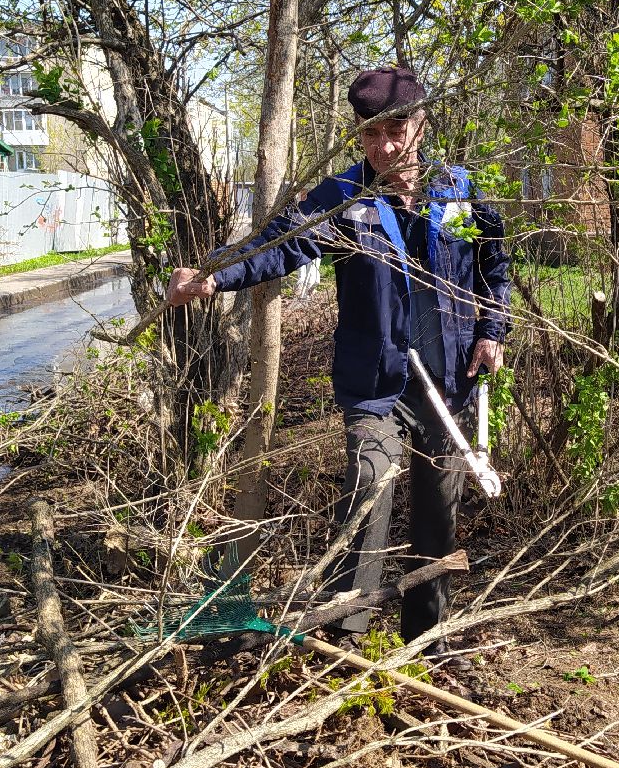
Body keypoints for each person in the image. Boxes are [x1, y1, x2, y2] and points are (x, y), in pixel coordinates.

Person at [168, 67, 511, 653]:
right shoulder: (341, 201)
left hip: (449, 386)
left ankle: (426, 641)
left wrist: (492, 330)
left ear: (420, 126)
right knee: (370, 491)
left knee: (438, 512)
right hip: (377, 383)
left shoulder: (459, 189)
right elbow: (275, 246)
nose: (384, 146)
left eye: (396, 130)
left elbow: (493, 267)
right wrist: (210, 275)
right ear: (359, 136)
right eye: (371, 134)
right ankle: (347, 635)